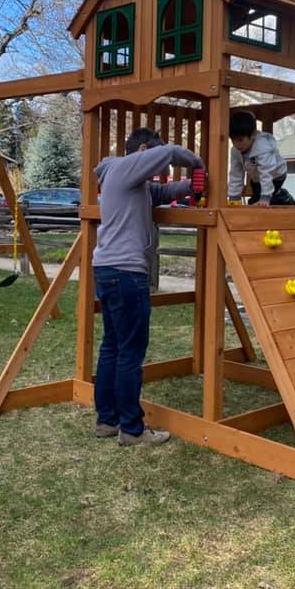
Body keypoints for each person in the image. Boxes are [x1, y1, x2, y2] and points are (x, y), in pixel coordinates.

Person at [92, 128, 203, 446]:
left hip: (108, 269)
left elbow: (166, 194)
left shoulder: (130, 183)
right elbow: (169, 152)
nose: (162, 171)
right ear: (142, 150)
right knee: (129, 352)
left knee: (112, 347)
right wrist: (196, 162)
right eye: (153, 159)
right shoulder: (124, 167)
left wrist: (196, 185)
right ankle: (131, 429)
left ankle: (107, 421)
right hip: (126, 273)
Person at [228, 110, 295, 206]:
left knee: (262, 201)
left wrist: (265, 197)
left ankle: (284, 197)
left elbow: (267, 172)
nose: (237, 144)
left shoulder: (262, 147)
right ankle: (277, 194)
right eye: (233, 140)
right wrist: (234, 196)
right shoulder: (235, 151)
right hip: (256, 178)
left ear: (252, 135)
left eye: (240, 140)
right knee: (254, 201)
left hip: (275, 175)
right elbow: (236, 173)